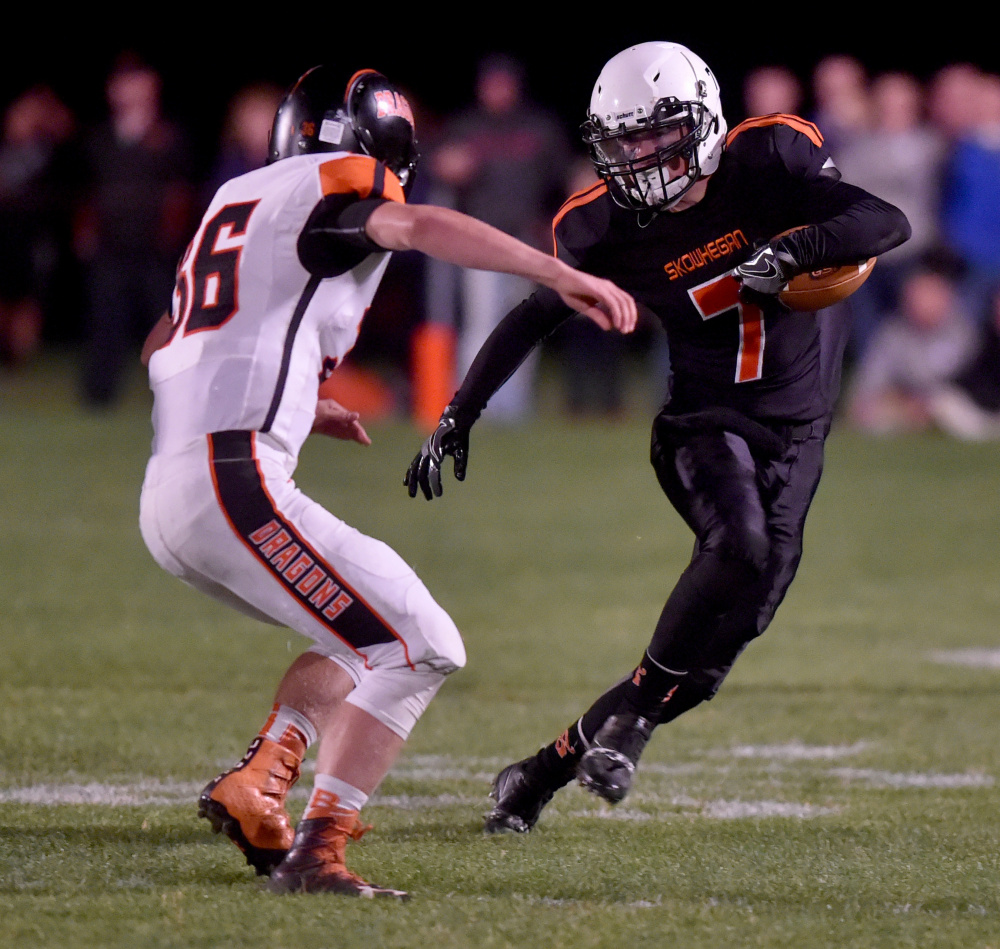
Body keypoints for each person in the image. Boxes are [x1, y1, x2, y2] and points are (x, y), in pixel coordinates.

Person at [138, 65, 635, 897]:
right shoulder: (341, 183)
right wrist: (558, 274)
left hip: (176, 489)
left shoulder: (238, 200)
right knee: (422, 640)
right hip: (232, 479)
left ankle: (261, 777)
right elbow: (422, 225)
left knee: (356, 632)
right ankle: (317, 851)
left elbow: (164, 346)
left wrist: (303, 396)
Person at [404, 41, 910, 833]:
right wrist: (459, 412)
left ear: (704, 119)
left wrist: (794, 248)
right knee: (736, 543)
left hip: (799, 430)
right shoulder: (605, 228)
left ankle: (539, 773)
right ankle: (632, 725)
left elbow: (886, 221)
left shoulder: (769, 158)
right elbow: (536, 312)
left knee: (706, 663)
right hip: (701, 423)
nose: (638, 156)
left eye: (655, 133)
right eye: (624, 140)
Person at [424, 53, 575, 422]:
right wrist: (448, 165)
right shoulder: (466, 125)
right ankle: (471, 404)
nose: (498, 90)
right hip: (480, 242)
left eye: (504, 83)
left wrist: (553, 223)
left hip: (527, 240)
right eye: (492, 83)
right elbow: (435, 165)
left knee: (522, 322)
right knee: (480, 323)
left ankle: (513, 409)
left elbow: (564, 178)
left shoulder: (538, 126)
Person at [76, 54, 196, 407]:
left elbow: (181, 192)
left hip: (155, 251)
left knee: (165, 323)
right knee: (104, 320)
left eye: (138, 80)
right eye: (123, 82)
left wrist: (172, 236)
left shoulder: (169, 137)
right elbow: (88, 191)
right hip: (111, 248)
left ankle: (176, 393)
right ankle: (98, 396)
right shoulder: (99, 139)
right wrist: (85, 231)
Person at [846, 250, 975, 435]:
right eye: (917, 295)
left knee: (950, 407)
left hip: (951, 406)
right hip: (903, 408)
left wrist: (924, 402)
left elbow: (965, 384)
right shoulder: (892, 333)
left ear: (946, 297)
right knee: (871, 415)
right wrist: (901, 402)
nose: (922, 302)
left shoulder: (963, 332)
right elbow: (868, 385)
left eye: (931, 294)